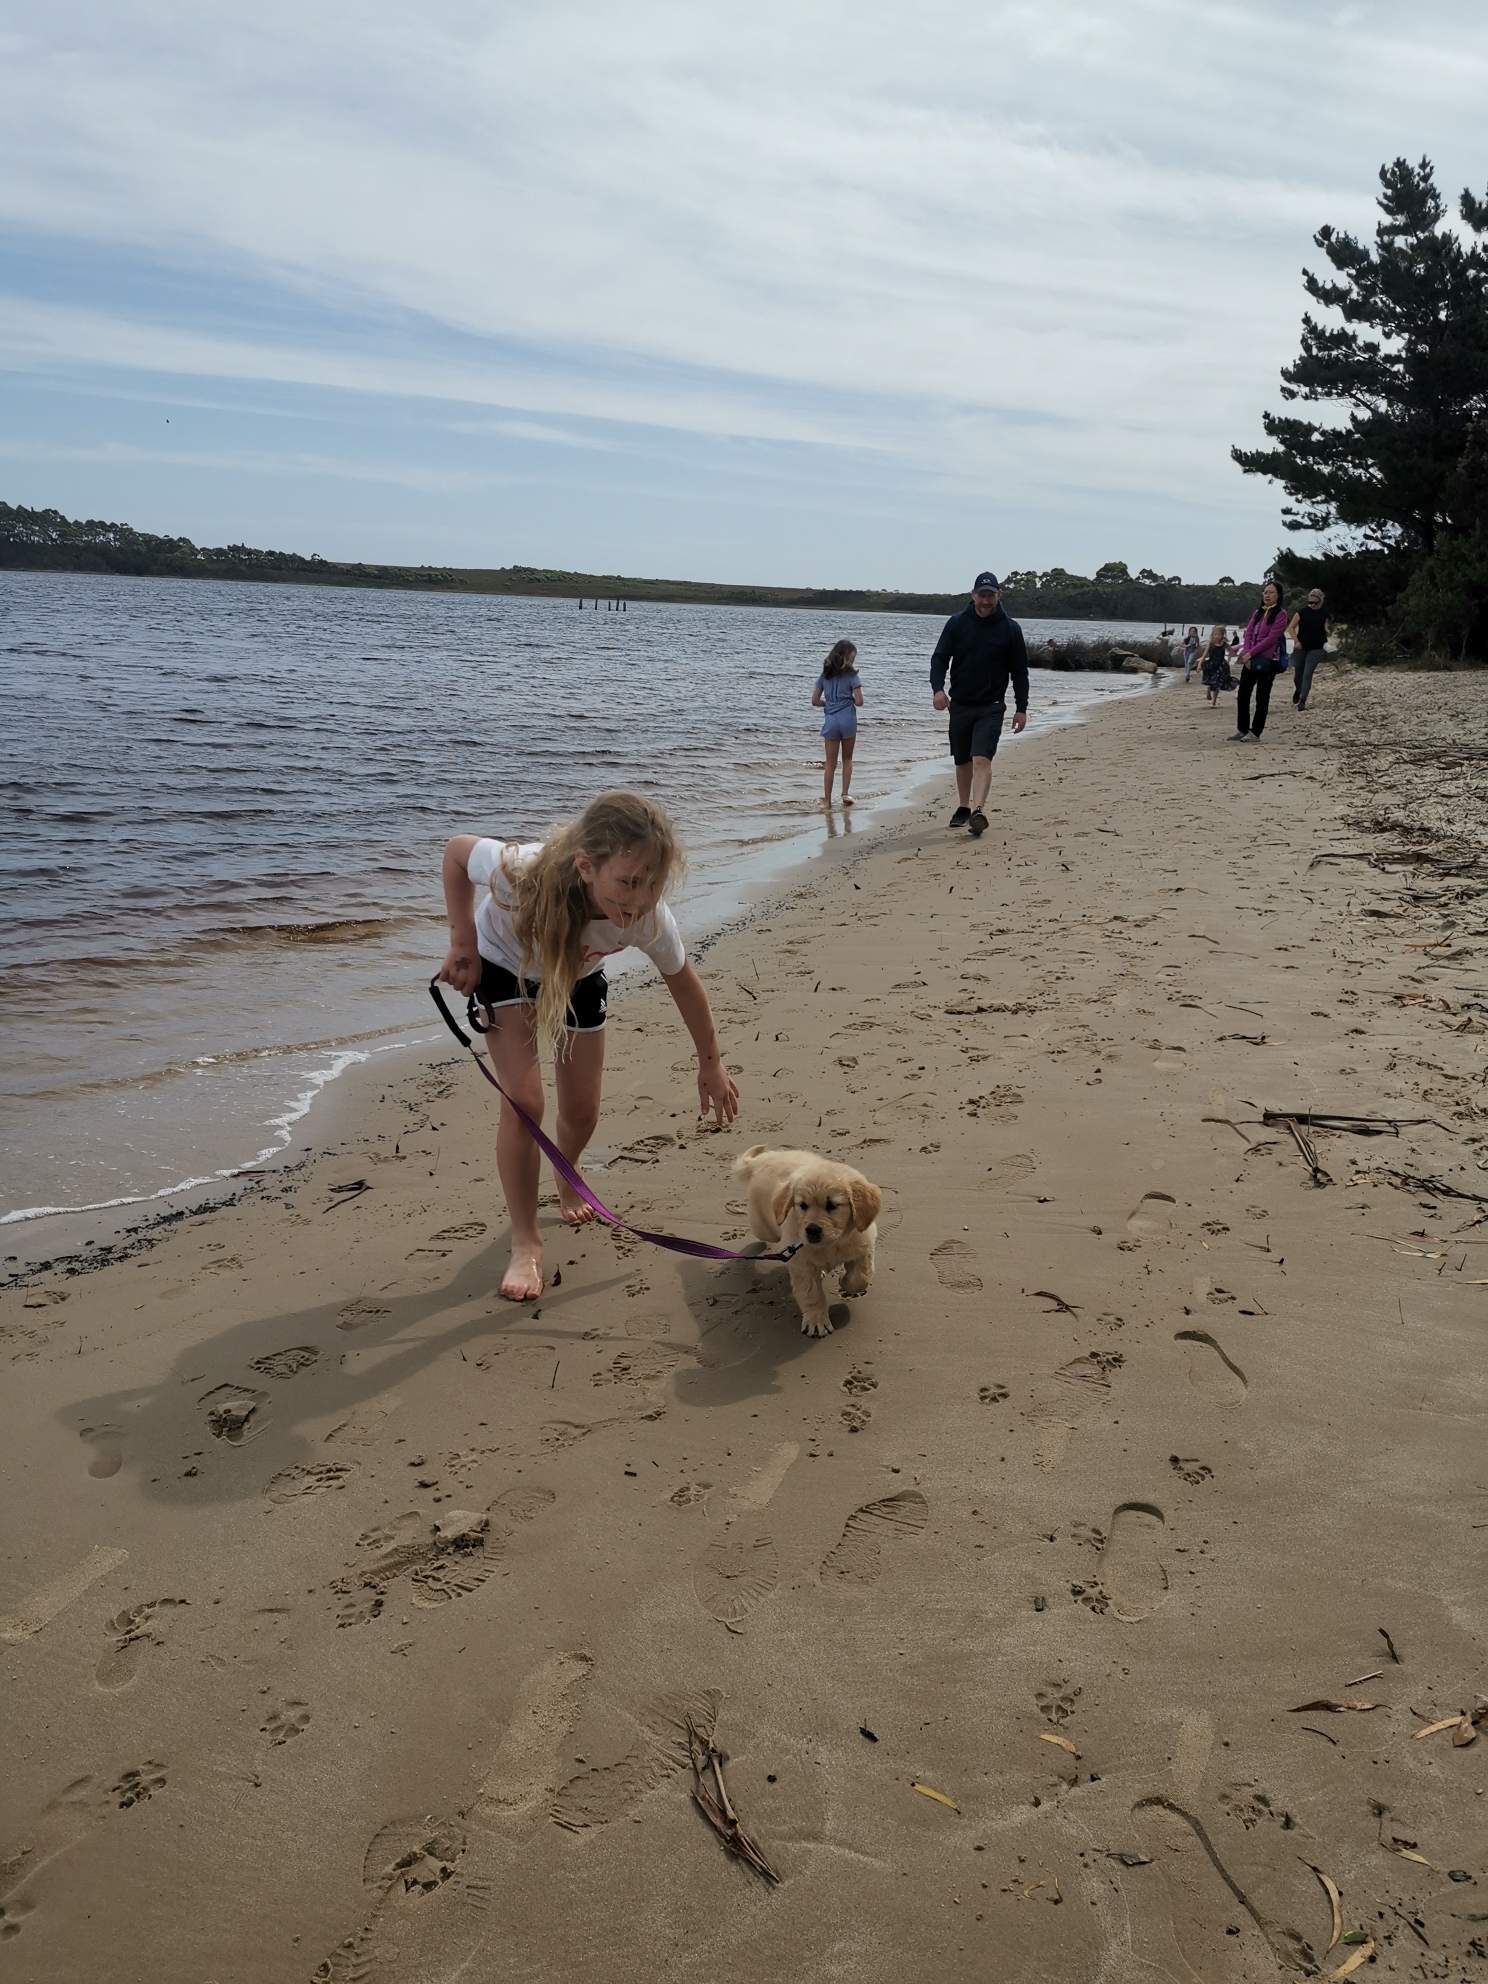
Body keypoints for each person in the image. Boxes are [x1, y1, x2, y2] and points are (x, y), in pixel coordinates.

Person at [438, 792, 739, 1301]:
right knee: (524, 1102)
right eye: (625, 882)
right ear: (586, 866)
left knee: (581, 1110)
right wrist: (462, 940)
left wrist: (711, 1064)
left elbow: (684, 982)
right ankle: (526, 1240)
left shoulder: (647, 917)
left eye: (652, 884)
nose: (638, 900)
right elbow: (456, 851)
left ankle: (567, 1165)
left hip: (577, 975)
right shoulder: (520, 871)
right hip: (503, 966)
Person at [930, 571, 1029, 836]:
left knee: (981, 758)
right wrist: (938, 690)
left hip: (992, 705)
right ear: (973, 595)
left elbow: (1020, 672)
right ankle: (963, 807)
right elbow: (939, 658)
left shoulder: (1010, 629)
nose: (986, 600)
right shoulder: (956, 624)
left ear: (999, 595)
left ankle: (978, 810)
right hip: (960, 703)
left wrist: (1021, 708)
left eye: (991, 595)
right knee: (962, 760)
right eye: (981, 595)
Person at [1233, 581, 1289, 740]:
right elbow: (1249, 633)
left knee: (1262, 696)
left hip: (1267, 660)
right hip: (1250, 658)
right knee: (1243, 693)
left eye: (1271, 592)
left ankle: (1255, 732)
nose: (1267, 595)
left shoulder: (1281, 614)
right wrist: (1247, 653)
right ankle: (1242, 729)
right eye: (1265, 592)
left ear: (1278, 595)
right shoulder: (1258, 613)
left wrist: (1251, 654)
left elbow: (1272, 638)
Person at [812, 638, 863, 807]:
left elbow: (815, 701)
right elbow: (859, 701)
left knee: (830, 763)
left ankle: (826, 801)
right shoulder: (852, 676)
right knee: (847, 759)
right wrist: (847, 702)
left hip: (831, 720)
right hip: (848, 719)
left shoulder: (824, 676)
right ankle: (845, 794)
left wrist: (830, 703)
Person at [1289, 587, 1330, 709]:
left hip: (1316, 648)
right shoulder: (1301, 612)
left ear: (1321, 601)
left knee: (1307, 674)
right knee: (1298, 675)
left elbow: (1326, 628)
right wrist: (1296, 641)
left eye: (1315, 603)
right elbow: (1290, 628)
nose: (1312, 605)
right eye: (1310, 602)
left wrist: (1328, 632)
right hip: (1301, 647)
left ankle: (1302, 700)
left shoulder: (1324, 612)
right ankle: (1298, 690)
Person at [1200, 622, 1234, 706]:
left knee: (1217, 682)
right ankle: (1208, 689)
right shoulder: (1210, 644)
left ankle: (1214, 701)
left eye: (1219, 634)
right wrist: (1199, 665)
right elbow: (1204, 655)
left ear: (1222, 635)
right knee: (1210, 681)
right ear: (1212, 635)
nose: (1217, 636)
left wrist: (1228, 660)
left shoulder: (1224, 644)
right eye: (1215, 634)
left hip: (1221, 665)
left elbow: (1231, 651)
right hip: (1211, 665)